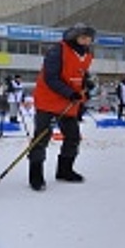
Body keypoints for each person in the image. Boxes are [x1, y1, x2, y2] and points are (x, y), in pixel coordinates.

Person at [27, 23, 96, 191]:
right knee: (42, 137)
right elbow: (51, 78)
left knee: (73, 137)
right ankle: (36, 175)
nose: (86, 41)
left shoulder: (87, 55)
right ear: (73, 36)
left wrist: (86, 85)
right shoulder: (58, 50)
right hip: (48, 100)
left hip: (69, 103)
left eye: (89, 38)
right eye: (83, 37)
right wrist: (70, 93)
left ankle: (64, 170)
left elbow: (80, 74)